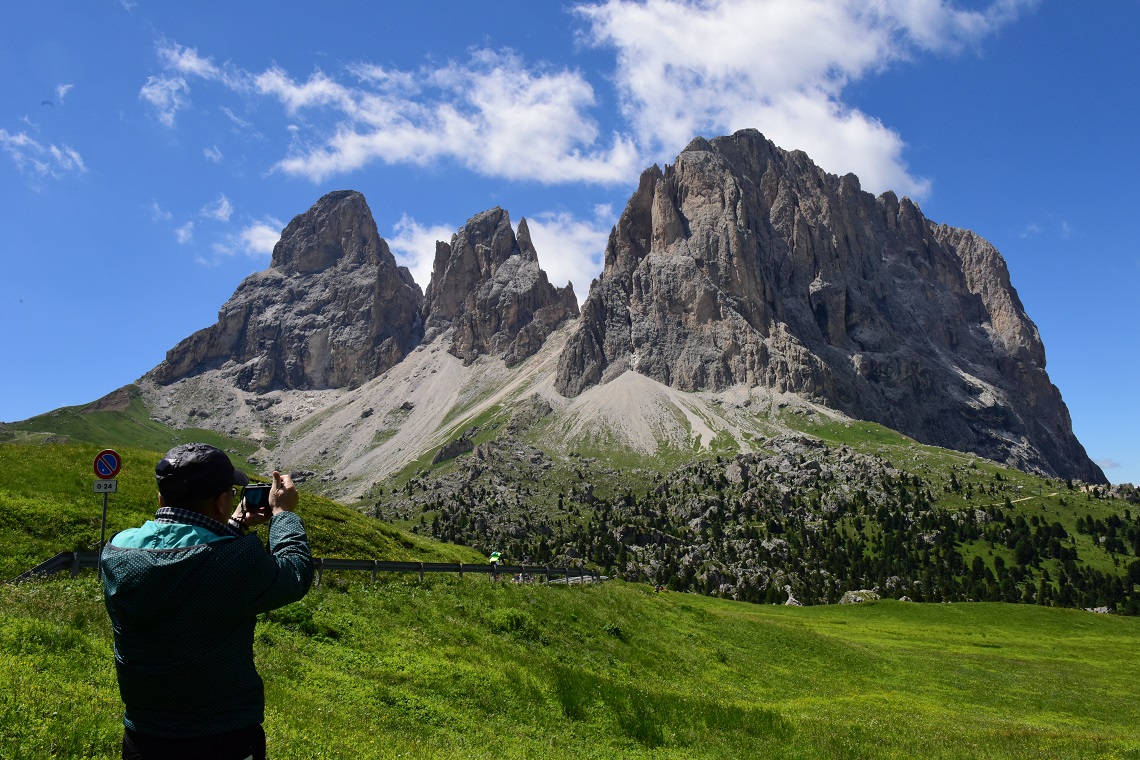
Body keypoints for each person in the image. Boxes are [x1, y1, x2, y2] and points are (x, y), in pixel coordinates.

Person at [100, 443, 314, 760]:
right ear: (221, 501)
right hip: (221, 737)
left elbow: (185, 560)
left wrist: (233, 525)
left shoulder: (116, 549)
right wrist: (283, 515)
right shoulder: (235, 559)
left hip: (143, 738)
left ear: (161, 498)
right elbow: (293, 575)